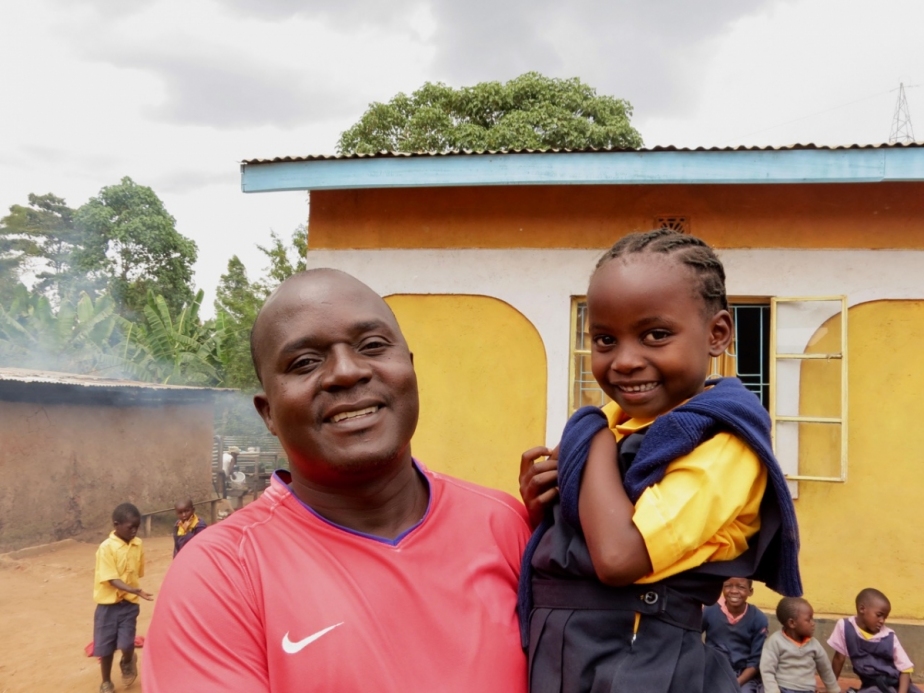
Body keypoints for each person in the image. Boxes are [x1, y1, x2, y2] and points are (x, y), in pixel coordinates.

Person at [143, 269, 533, 692]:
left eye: (372, 346)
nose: (347, 372)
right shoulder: (219, 577)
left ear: (410, 368)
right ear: (268, 412)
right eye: (305, 363)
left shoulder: (504, 523)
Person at [517, 229, 802, 693]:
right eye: (605, 339)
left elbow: (616, 557)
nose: (625, 361)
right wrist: (545, 503)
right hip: (572, 653)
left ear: (717, 335)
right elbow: (579, 543)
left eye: (656, 335)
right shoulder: (621, 425)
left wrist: (590, 441)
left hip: (639, 660)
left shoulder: (723, 443)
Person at [92, 502, 154, 693]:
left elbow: (138, 570)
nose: (135, 531)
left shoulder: (138, 545)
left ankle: (128, 659)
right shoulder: (106, 548)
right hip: (107, 606)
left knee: (126, 643)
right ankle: (106, 682)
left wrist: (133, 592)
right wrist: (135, 590)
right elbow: (110, 578)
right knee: (105, 647)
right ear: (116, 524)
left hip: (129, 605)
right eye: (130, 527)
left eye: (137, 527)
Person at [828, 588, 920, 693]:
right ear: (862, 609)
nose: (882, 621)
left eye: (885, 618)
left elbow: (905, 669)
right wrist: (831, 687)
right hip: (871, 686)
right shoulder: (845, 627)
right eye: (879, 615)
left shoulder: (888, 636)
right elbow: (839, 659)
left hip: (897, 685)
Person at [760, 597, 840, 693]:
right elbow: (767, 670)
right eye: (808, 620)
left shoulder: (814, 644)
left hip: (807, 690)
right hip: (782, 688)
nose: (813, 623)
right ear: (792, 623)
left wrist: (834, 689)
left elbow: (825, 669)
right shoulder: (775, 642)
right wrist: (773, 690)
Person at [703, 577, 769, 692]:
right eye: (728, 586)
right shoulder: (709, 611)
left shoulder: (759, 619)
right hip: (713, 669)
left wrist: (735, 683)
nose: (734, 591)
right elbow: (692, 637)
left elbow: (755, 661)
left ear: (750, 591)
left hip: (743, 675)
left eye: (741, 587)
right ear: (721, 588)